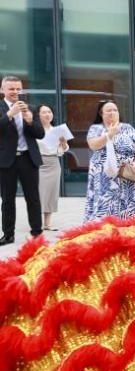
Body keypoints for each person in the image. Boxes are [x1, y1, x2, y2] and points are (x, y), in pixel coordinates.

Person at [0, 75, 45, 245]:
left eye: (18, 89)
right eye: (11, 88)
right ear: (2, 89)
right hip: (7, 160)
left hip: (28, 158)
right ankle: (8, 235)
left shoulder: (31, 108)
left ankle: (37, 233)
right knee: (7, 199)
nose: (15, 92)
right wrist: (10, 115)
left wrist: (30, 121)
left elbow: (40, 134)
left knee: (33, 198)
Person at [84, 101, 135, 223]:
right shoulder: (96, 128)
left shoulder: (127, 127)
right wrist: (109, 135)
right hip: (105, 175)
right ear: (101, 114)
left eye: (115, 110)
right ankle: (106, 230)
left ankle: (130, 228)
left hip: (128, 172)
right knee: (106, 203)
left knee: (130, 203)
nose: (112, 113)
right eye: (108, 110)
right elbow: (93, 145)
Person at [38, 104, 69, 232]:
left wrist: (64, 143)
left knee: (51, 193)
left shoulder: (57, 130)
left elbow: (64, 149)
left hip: (53, 163)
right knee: (39, 193)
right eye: (44, 112)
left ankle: (47, 224)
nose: (47, 114)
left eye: (49, 112)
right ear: (38, 115)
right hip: (37, 162)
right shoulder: (34, 130)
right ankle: (36, 223)